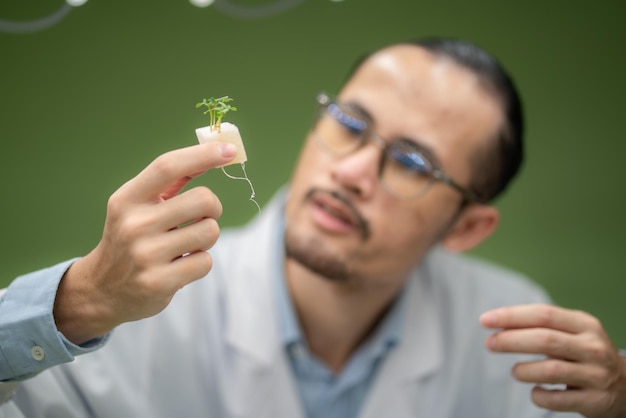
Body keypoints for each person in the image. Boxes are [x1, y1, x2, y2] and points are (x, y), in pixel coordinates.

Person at [0, 37, 624, 418]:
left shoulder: (518, 341)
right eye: (350, 123)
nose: (352, 170)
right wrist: (77, 303)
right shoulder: (140, 310)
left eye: (411, 163)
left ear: (467, 227)